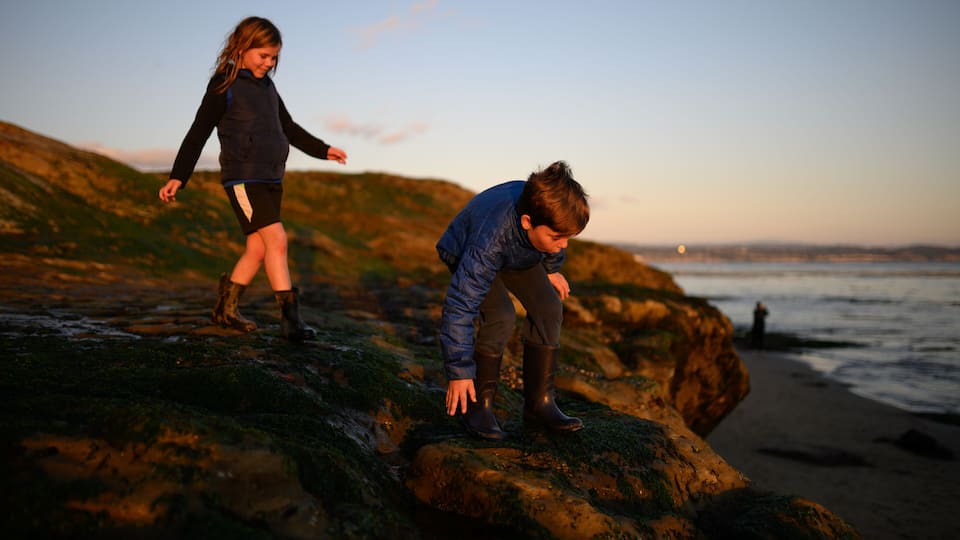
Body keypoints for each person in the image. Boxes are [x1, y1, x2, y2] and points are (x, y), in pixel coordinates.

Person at [158, 16, 347, 342]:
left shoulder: (268, 88)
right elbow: (198, 131)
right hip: (243, 177)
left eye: (274, 57)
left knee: (258, 248)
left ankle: (225, 311)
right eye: (263, 56)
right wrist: (179, 176)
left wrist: (324, 149)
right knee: (277, 240)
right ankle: (291, 324)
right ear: (242, 47)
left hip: (272, 177)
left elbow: (288, 128)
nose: (269, 63)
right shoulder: (224, 84)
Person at [437, 161, 589, 440]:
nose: (564, 244)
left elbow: (556, 242)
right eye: (557, 237)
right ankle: (478, 407)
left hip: (520, 251)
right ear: (528, 222)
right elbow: (460, 305)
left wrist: (552, 269)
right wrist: (458, 370)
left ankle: (539, 404)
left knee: (549, 307)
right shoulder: (488, 240)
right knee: (501, 315)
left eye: (569, 237)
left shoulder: (545, 220)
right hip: (466, 250)